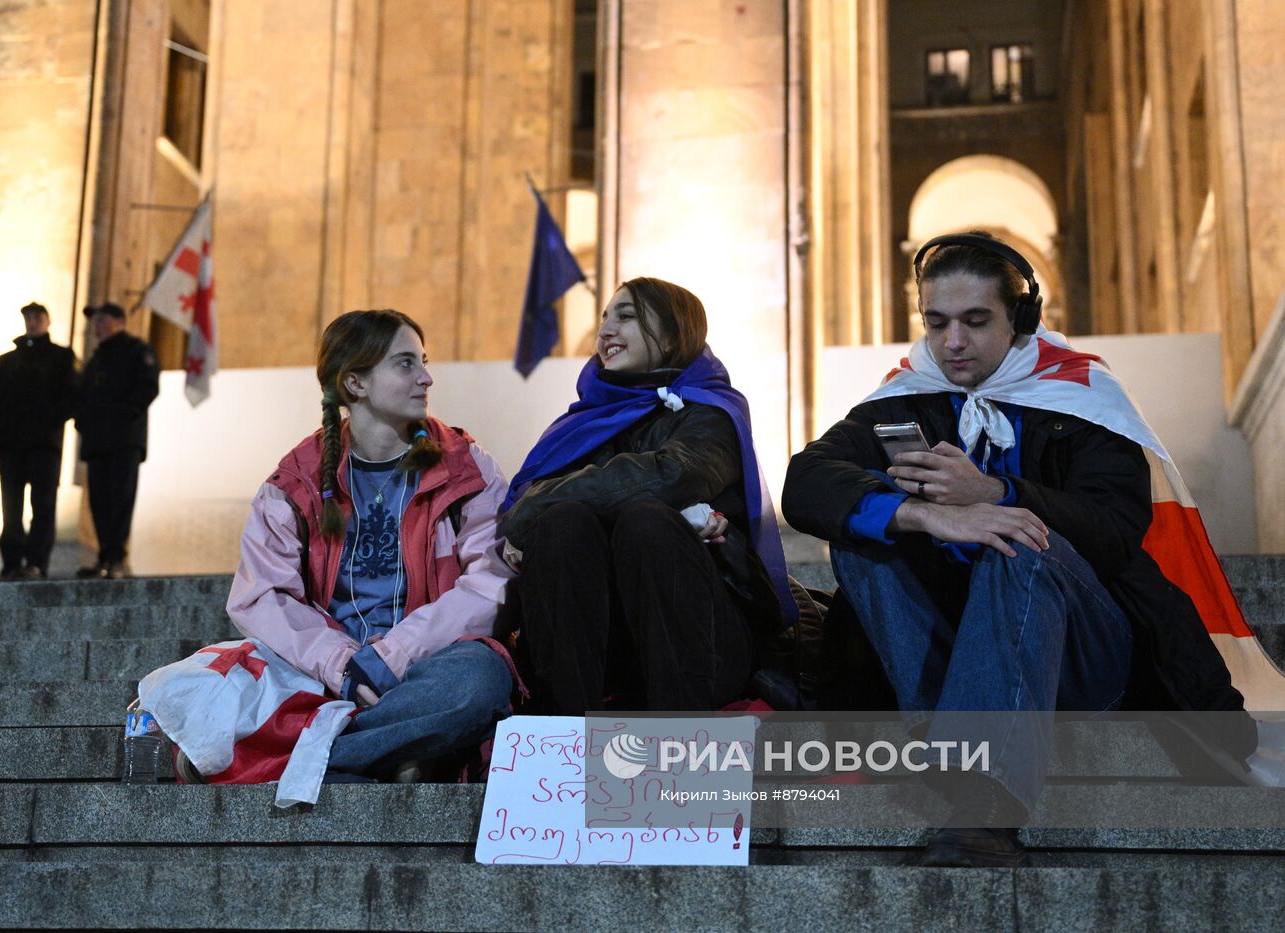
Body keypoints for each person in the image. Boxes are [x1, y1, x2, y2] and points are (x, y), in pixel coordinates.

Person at [782, 231, 1257, 867]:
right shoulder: (907, 395)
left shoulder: (1082, 394)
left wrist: (998, 494)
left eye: (976, 321)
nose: (952, 343)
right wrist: (926, 515)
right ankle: (950, 747)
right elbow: (805, 484)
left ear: (1021, 319)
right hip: (957, 649)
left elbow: (1116, 530)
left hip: (1086, 652)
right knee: (866, 537)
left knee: (1019, 540)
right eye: (937, 322)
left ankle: (985, 798)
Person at [203, 309, 515, 782]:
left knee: (480, 678)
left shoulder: (465, 467)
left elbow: (490, 583)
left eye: (424, 361)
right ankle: (400, 752)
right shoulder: (297, 480)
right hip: (325, 676)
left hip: (430, 666)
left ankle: (310, 759)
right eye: (406, 364)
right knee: (205, 685)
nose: (426, 378)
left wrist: (390, 658)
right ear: (355, 384)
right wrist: (342, 664)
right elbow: (261, 595)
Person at [499, 276, 793, 715]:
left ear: (674, 333)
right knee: (563, 525)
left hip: (701, 644)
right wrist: (544, 511)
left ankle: (677, 732)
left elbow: (671, 475)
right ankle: (563, 730)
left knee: (646, 520)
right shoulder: (582, 423)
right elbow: (539, 492)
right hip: (604, 648)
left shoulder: (710, 413)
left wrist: (530, 513)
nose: (605, 332)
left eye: (626, 316)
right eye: (603, 319)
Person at [0, 302, 79, 579]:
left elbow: (71, 396)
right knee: (10, 507)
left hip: (43, 445)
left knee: (43, 506)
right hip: (12, 446)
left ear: (47, 321)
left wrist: (49, 420)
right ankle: (12, 562)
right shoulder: (6, 361)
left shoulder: (62, 357)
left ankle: (36, 562)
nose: (32, 321)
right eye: (28, 317)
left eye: (37, 317)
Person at [75, 302, 160, 579]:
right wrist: (83, 422)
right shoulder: (96, 359)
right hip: (97, 442)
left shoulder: (136, 351)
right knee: (99, 501)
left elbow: (147, 387)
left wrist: (122, 414)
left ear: (119, 321)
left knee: (120, 497)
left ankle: (116, 558)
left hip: (124, 440)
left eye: (102, 319)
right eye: (95, 320)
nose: (96, 325)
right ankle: (104, 556)